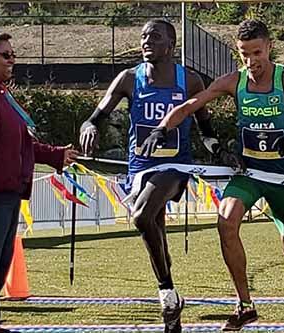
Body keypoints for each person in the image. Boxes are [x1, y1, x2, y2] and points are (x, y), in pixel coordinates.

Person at [148, 20, 284, 333]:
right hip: (249, 173)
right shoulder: (234, 82)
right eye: (244, 54)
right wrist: (161, 128)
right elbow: (190, 105)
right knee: (225, 219)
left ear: (269, 47)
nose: (252, 61)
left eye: (257, 52)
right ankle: (245, 304)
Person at [79, 20, 231, 333]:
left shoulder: (189, 80)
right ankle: (172, 299)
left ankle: (165, 291)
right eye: (144, 36)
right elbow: (96, 116)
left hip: (175, 166)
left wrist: (219, 152)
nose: (146, 41)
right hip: (140, 167)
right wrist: (90, 126)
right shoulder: (128, 78)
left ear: (171, 45)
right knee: (153, 230)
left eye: (155, 36)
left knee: (141, 217)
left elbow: (205, 130)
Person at [0, 31, 78, 333]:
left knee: (0, 264)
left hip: (10, 193)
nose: (12, 60)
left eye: (13, 54)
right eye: (5, 55)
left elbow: (21, 144)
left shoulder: (1, 94)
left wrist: (56, 155)